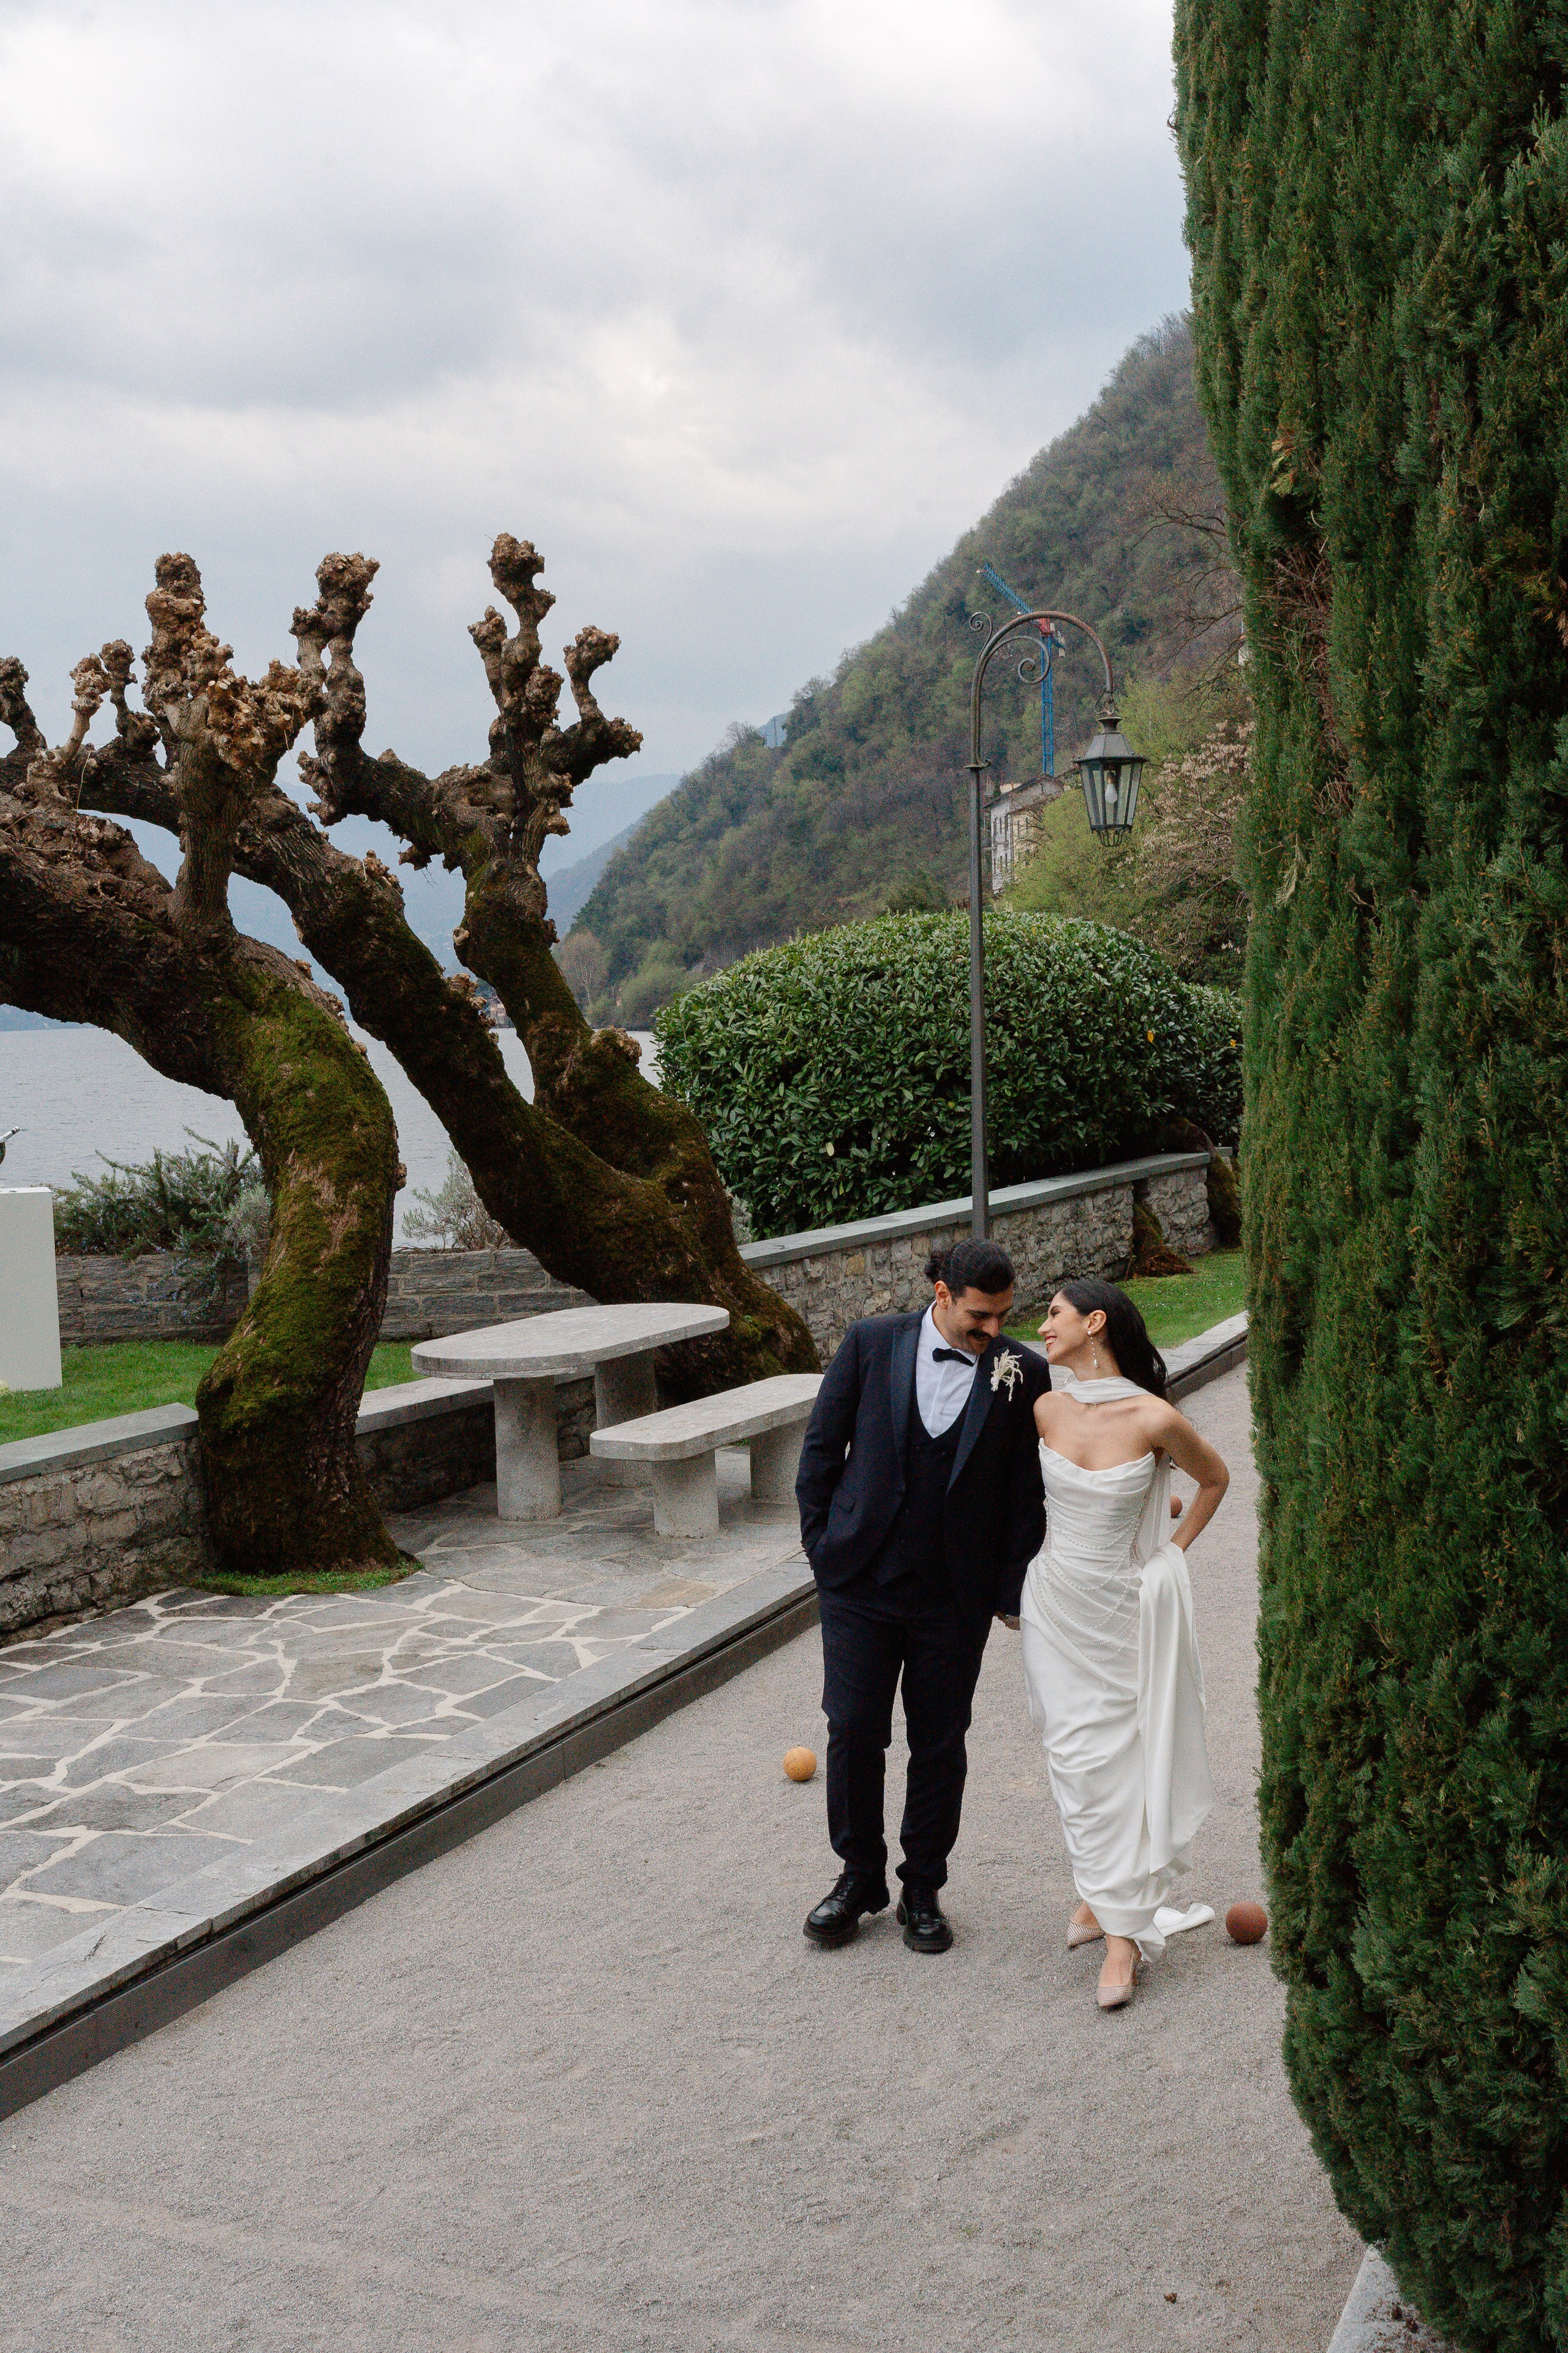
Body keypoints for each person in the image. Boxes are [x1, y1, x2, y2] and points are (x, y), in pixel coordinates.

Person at [794, 1236, 1048, 1954]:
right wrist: (822, 1549)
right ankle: (858, 1877)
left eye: (1003, 1316)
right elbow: (820, 1449)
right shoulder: (872, 1343)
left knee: (938, 1742)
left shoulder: (1022, 1372)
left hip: (954, 1596)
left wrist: (1008, 1590)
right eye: (979, 1317)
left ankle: (923, 1887)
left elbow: (1024, 1495)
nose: (994, 1332)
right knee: (852, 1730)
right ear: (941, 1294)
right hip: (859, 1585)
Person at [1022, 1277, 1229, 2011]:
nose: (1041, 1325)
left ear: (1095, 1322)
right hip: (1053, 1605)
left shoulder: (1153, 1416)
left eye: (1053, 1314)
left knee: (1121, 1760)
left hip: (1120, 1608)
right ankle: (1100, 1902)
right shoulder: (1044, 1406)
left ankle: (1119, 1936)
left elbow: (1213, 1479)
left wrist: (1169, 1555)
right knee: (1075, 1758)